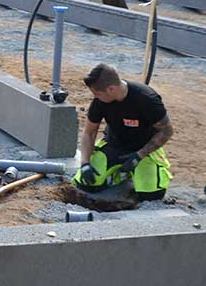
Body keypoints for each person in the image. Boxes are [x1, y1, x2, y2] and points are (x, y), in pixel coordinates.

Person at [72, 63, 174, 199]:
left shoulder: (146, 99)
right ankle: (119, 175)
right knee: (86, 184)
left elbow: (167, 131)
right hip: (114, 145)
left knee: (151, 195)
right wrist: (85, 163)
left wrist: (139, 156)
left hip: (142, 149)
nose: (95, 97)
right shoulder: (100, 101)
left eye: (97, 94)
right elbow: (89, 133)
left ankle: (135, 172)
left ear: (111, 89)